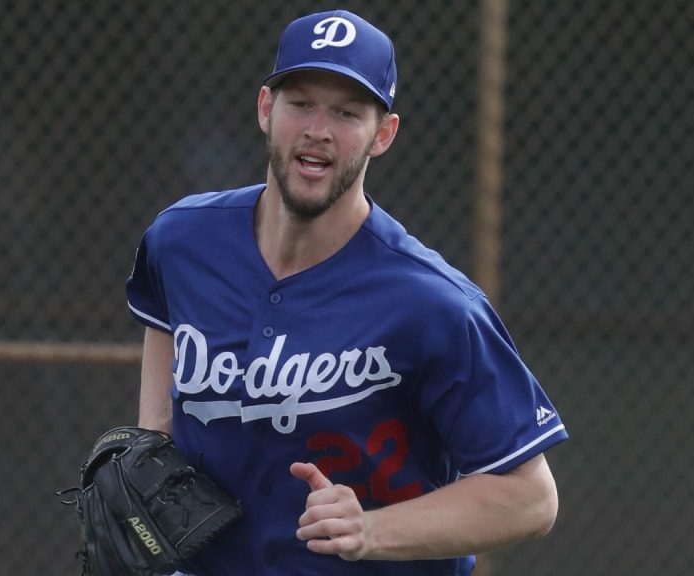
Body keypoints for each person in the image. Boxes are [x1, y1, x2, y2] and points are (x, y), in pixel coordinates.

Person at [125, 9, 567, 575]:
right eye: (301, 102)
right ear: (266, 109)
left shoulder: (432, 303)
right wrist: (144, 472)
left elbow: (530, 498)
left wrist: (372, 530)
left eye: (346, 112)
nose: (318, 129)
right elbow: (156, 431)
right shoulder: (181, 244)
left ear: (383, 134)